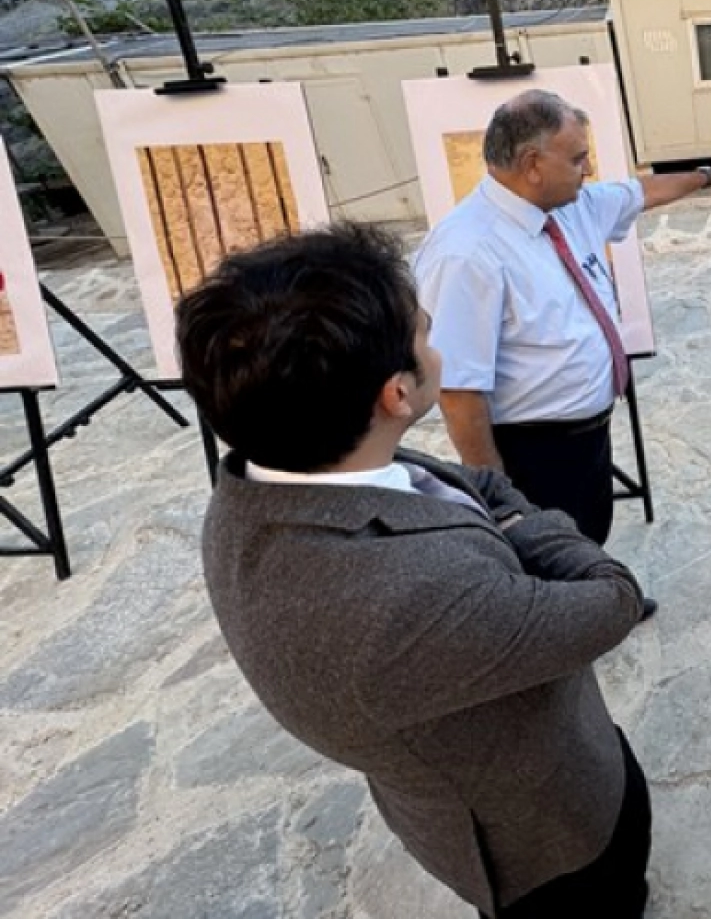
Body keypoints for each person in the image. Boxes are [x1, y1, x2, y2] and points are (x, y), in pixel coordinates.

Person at [181, 224, 652, 919]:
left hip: (466, 769)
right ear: (396, 395)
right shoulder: (412, 597)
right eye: (426, 332)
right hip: (549, 841)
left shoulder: (262, 481)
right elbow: (611, 599)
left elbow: (475, 486)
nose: (439, 344)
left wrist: (503, 509)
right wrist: (527, 525)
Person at [414, 90, 711, 568]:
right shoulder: (468, 252)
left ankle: (598, 596)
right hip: (533, 449)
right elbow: (459, 391)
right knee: (545, 561)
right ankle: (572, 624)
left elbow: (640, 193)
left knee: (587, 535)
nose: (588, 169)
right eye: (577, 158)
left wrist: (708, 178)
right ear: (533, 163)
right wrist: (498, 494)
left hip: (587, 436)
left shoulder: (571, 206)